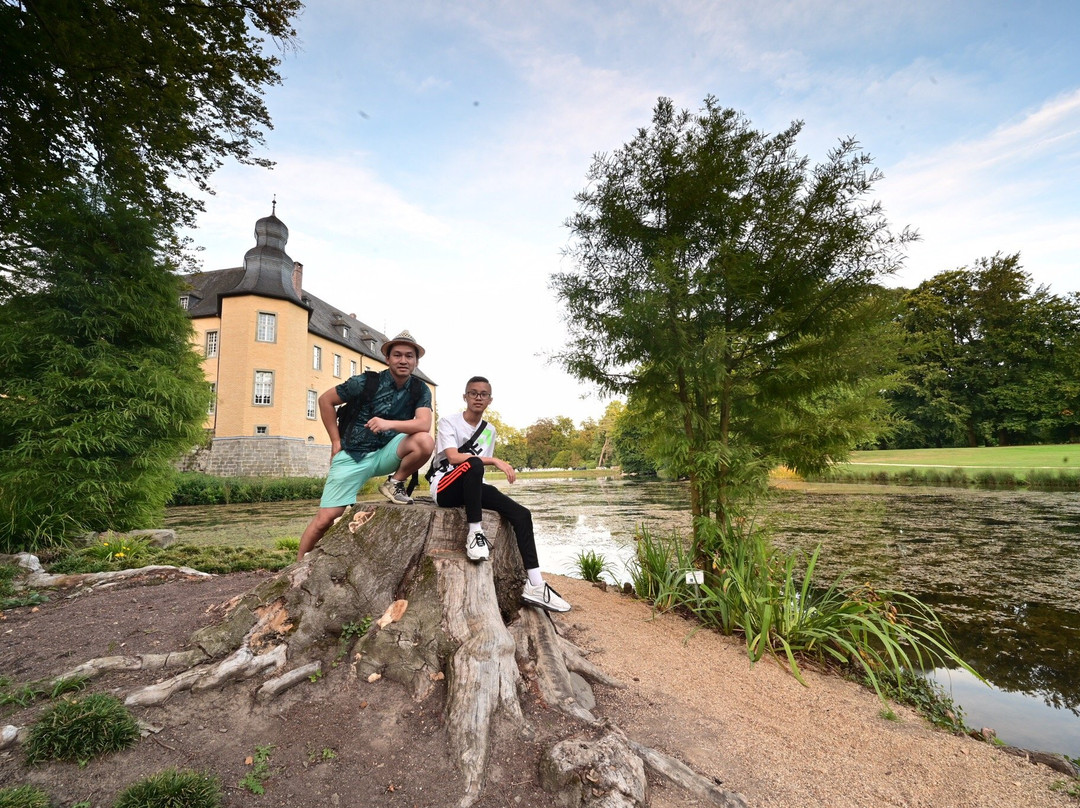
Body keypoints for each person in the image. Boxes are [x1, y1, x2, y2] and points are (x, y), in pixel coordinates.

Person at [430, 376, 571, 612]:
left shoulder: (489, 431)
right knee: (474, 463)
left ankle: (535, 584)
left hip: (472, 485)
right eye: (473, 393)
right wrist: (494, 460)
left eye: (483, 394)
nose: (478, 397)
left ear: (490, 400)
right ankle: (475, 534)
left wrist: (488, 490)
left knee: (521, 514)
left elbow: (478, 471)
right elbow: (454, 458)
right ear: (465, 397)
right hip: (445, 485)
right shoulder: (448, 422)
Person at [296, 330, 434, 560]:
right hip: (353, 454)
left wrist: (388, 423)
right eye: (397, 355)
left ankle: (395, 483)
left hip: (388, 452)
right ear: (387, 359)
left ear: (416, 361)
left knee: (424, 441)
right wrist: (335, 441)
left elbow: (424, 423)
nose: (403, 360)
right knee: (325, 519)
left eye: (409, 356)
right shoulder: (365, 382)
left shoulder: (420, 389)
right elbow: (325, 400)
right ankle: (297, 564)